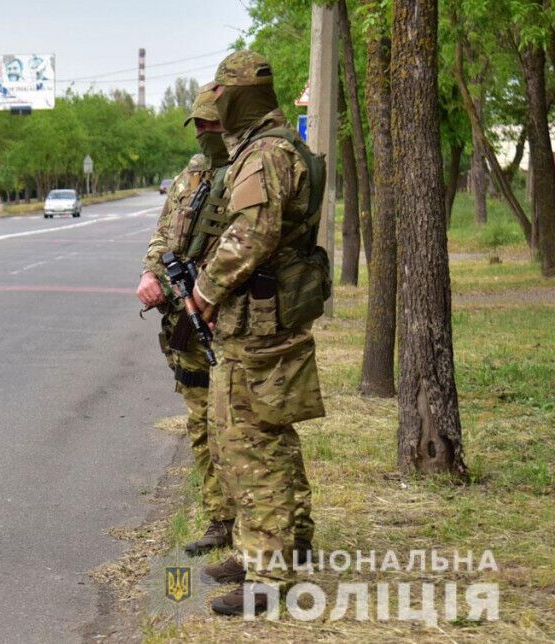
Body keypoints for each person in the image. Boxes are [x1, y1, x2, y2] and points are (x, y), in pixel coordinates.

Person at [190, 51, 328, 616]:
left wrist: (204, 291)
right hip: (257, 319)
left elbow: (251, 234)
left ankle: (267, 576)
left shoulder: (266, 153)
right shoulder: (264, 148)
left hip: (260, 322)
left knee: (254, 443)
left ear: (242, 94)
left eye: (222, 93)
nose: (216, 104)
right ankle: (269, 547)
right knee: (254, 437)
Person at [137, 88, 236, 556]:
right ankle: (221, 520)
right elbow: (164, 235)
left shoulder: (249, 171)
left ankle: (261, 528)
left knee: (239, 427)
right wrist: (150, 274)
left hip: (230, 319)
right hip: (185, 322)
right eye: (198, 124)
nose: (203, 132)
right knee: (200, 423)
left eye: (211, 123)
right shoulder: (190, 176)